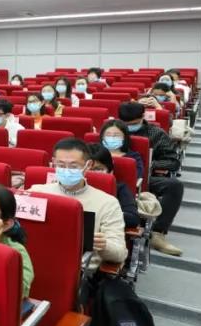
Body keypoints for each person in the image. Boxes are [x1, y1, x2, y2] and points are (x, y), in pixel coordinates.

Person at [29, 138, 126, 270]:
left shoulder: (107, 203)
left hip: (81, 271)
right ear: (53, 163)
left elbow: (120, 253)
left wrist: (104, 245)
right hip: (35, 264)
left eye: (74, 166)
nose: (66, 170)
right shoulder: (36, 192)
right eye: (61, 165)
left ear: (88, 165)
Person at [117, 103, 184, 255]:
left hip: (146, 177)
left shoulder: (156, 133)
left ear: (143, 117)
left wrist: (150, 164)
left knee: (174, 185)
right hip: (115, 175)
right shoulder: (113, 132)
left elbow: (173, 162)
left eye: (133, 124)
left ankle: (158, 233)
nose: (129, 128)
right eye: (125, 124)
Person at [86, 144, 139, 229]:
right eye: (87, 169)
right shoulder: (72, 187)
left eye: (98, 169)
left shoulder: (119, 188)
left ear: (110, 170)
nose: (92, 174)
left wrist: (104, 213)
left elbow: (133, 219)